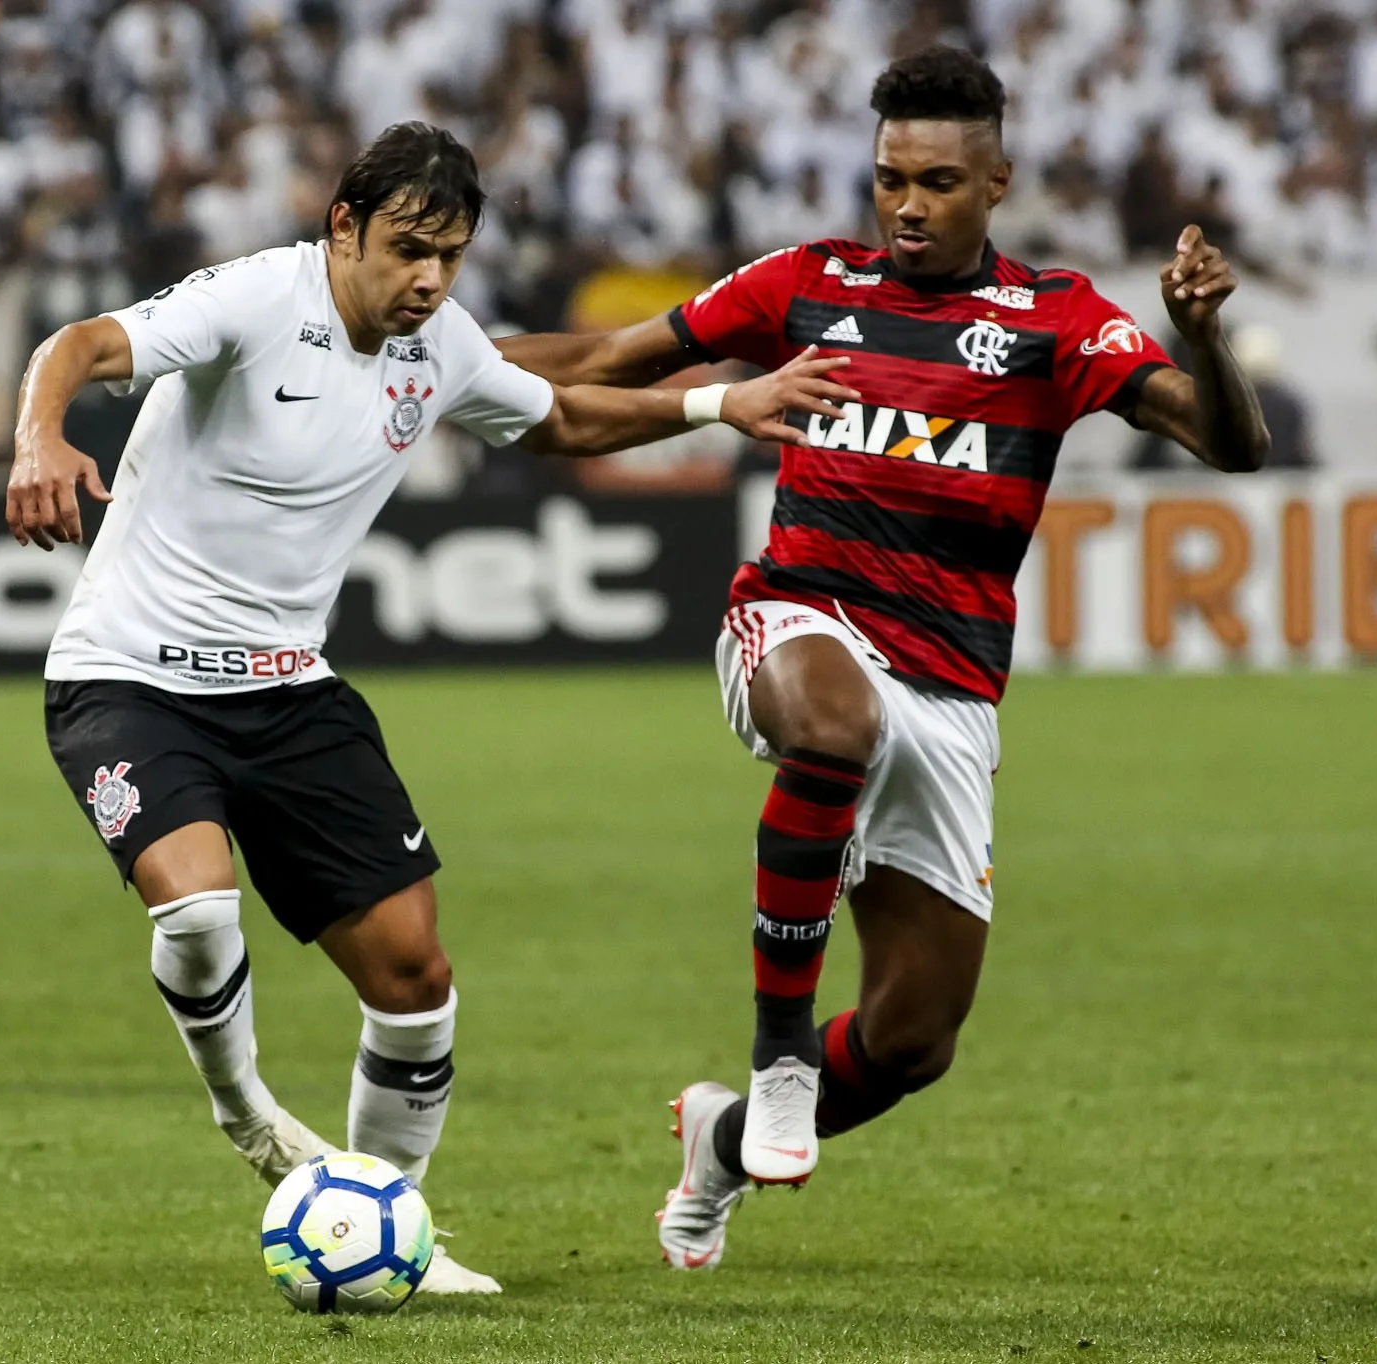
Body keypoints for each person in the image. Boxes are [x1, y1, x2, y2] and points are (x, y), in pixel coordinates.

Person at [6, 121, 852, 1294]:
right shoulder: (254, 299)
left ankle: (383, 1221)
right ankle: (247, 1112)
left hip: (289, 691)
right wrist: (39, 434)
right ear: (342, 225)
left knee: (414, 978)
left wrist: (716, 405)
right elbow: (82, 341)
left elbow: (557, 417)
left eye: (449, 257)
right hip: (127, 677)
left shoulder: (437, 342)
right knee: (197, 910)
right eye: (409, 249)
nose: (429, 280)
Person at [497, 47, 1271, 1269]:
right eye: (888, 178)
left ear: (996, 183)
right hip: (797, 617)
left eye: (937, 182)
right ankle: (778, 1051)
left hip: (950, 685)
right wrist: (427, 350)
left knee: (917, 1036)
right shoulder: (803, 283)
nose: (907, 203)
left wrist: (1202, 337)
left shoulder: (1054, 319)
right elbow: (601, 366)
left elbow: (1230, 444)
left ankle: (724, 1134)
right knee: (831, 723)